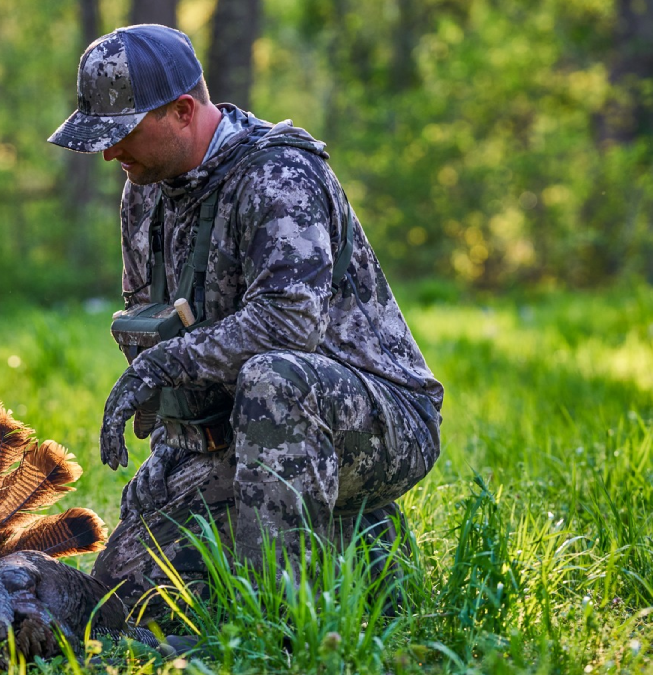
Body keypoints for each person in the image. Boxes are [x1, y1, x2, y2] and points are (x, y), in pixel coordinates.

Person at [47, 24, 444, 612]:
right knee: (125, 597)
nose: (109, 153)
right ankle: (360, 545)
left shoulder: (278, 176)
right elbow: (158, 325)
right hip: (241, 429)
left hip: (380, 422)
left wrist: (158, 368)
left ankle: (277, 622)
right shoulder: (144, 189)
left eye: (123, 133)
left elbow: (288, 324)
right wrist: (170, 452)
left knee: (274, 379)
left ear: (183, 111)